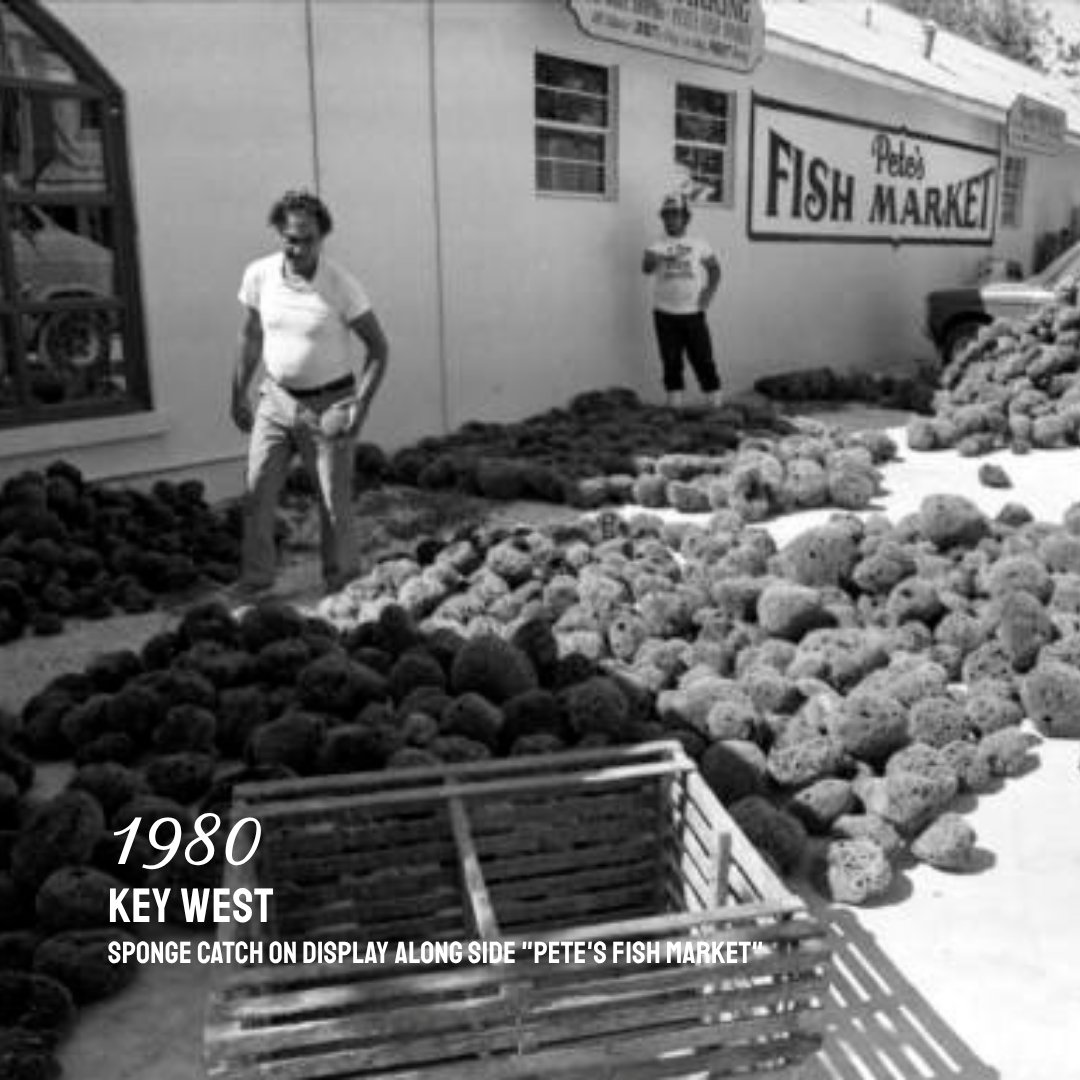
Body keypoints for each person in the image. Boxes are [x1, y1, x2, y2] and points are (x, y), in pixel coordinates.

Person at [230, 188, 389, 597]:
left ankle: (342, 584)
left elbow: (379, 349)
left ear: (323, 237)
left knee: (333, 502)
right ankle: (257, 577)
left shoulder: (341, 285)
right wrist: (237, 393)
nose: (297, 247)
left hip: (330, 403)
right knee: (257, 491)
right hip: (275, 399)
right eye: (290, 238)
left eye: (307, 239)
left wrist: (360, 408)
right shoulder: (260, 275)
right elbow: (250, 335)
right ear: (279, 233)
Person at [641, 193, 722, 409]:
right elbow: (646, 267)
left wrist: (708, 293)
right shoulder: (657, 245)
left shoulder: (699, 243)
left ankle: (714, 403)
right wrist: (658, 257)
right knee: (671, 362)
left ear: (685, 218)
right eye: (666, 215)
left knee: (703, 359)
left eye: (675, 215)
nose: (670, 220)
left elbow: (714, 269)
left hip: (693, 314)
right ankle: (674, 405)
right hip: (664, 314)